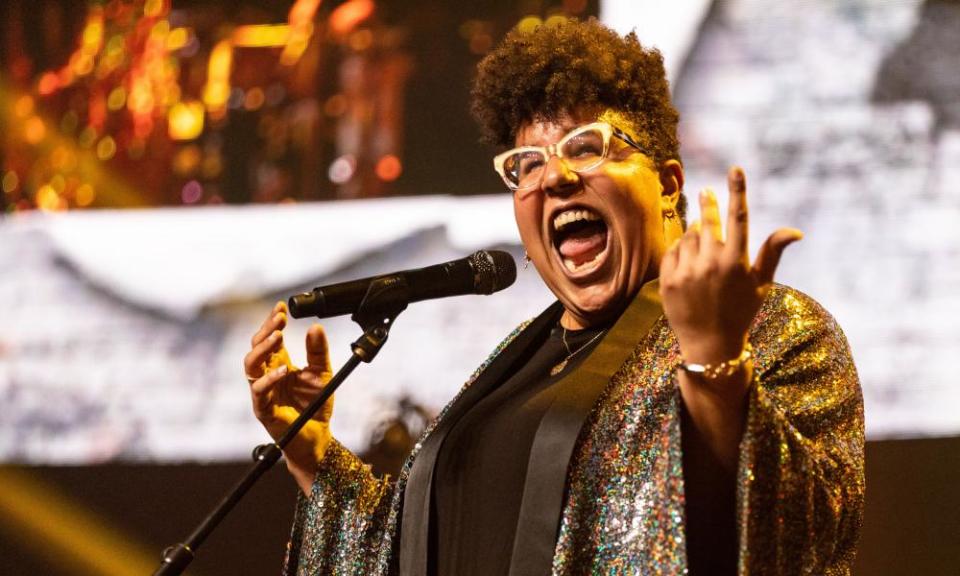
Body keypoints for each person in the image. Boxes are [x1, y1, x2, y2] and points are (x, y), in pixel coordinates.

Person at [243, 18, 864, 575]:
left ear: (669, 184)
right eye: (527, 164)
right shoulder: (516, 363)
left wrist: (712, 362)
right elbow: (412, 550)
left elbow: (798, 532)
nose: (556, 177)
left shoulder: (774, 326)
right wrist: (312, 453)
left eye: (586, 147)